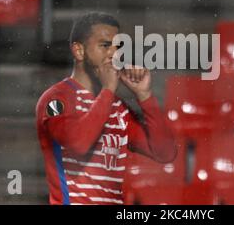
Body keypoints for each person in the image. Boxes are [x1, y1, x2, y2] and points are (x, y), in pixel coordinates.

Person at [36, 12, 177, 205]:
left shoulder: (118, 107)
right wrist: (108, 89)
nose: (113, 54)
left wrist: (145, 96)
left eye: (118, 47)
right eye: (104, 45)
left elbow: (165, 154)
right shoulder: (56, 99)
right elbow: (78, 144)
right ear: (79, 51)